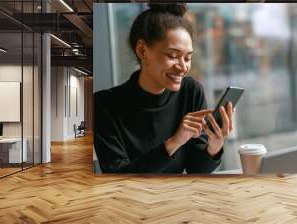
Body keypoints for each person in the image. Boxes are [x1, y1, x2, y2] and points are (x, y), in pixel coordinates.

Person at [94, 3, 234, 173]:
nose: (183, 67)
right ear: (142, 50)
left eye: (188, 58)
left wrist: (214, 145)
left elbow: (196, 171)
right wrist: (175, 142)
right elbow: (117, 176)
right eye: (172, 56)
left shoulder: (191, 91)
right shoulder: (105, 104)